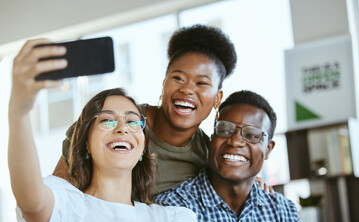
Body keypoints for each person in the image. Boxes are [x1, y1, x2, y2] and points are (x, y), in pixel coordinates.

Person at [8, 39, 202, 222]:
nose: (122, 128)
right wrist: (19, 113)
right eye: (107, 120)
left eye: (133, 121)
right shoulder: (65, 205)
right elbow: (32, 202)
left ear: (143, 147)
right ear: (86, 144)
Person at [55, 24, 242, 195]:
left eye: (201, 83)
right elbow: (56, 199)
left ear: (217, 98)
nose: (187, 89)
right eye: (178, 78)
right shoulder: (109, 123)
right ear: (164, 83)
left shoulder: (207, 156)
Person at [154, 90, 311, 222]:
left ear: (268, 149)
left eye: (251, 135)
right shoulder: (173, 207)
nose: (235, 141)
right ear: (212, 138)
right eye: (224, 130)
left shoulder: (283, 212)